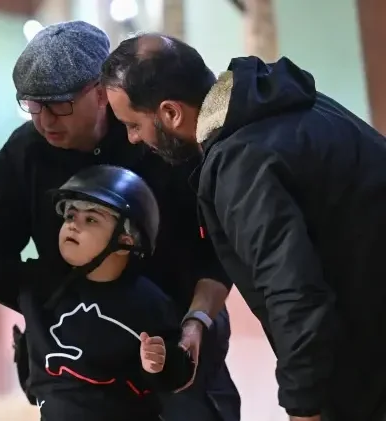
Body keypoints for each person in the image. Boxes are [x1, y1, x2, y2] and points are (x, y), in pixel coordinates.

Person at [0, 20, 240, 420]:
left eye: (59, 104)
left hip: (171, 336)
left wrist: (197, 321)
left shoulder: (155, 137)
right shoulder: (24, 154)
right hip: (78, 358)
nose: (45, 121)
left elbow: (213, 252)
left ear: (100, 92)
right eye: (33, 105)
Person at [99, 32, 386, 421]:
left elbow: (293, 292)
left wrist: (303, 407)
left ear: (170, 113)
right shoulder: (285, 104)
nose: (133, 139)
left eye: (133, 124)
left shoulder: (239, 163)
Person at [0, 165, 196, 421]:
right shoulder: (41, 284)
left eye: (91, 219)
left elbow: (178, 373)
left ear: (126, 242)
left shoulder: (148, 302)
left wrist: (160, 364)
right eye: (70, 216)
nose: (73, 225)